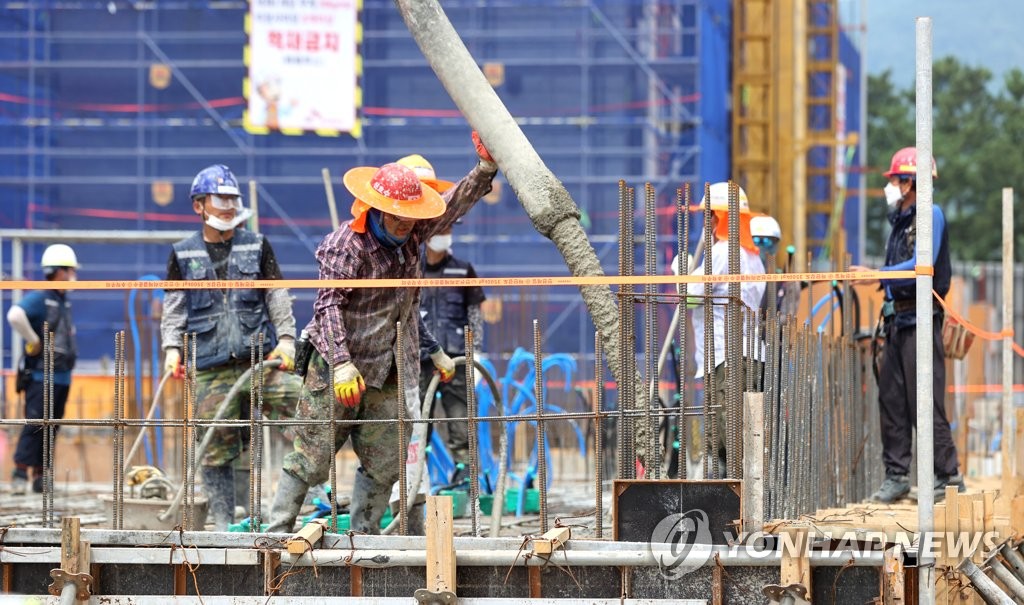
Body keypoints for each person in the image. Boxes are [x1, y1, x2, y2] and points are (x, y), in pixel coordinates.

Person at [267, 133, 497, 534]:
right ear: (377, 210)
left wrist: (484, 170)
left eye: (412, 220)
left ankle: (365, 539)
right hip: (340, 363)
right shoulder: (347, 245)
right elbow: (328, 305)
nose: (408, 226)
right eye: (399, 219)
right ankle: (276, 532)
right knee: (312, 454)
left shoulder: (411, 236)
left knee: (386, 457)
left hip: (389, 367)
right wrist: (341, 364)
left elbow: (452, 206)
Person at [160, 164, 303, 530]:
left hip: (260, 360)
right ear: (199, 205)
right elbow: (175, 306)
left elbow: (277, 297)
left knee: (308, 413)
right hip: (211, 366)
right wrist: (172, 349)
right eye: (220, 199)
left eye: (232, 200)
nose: (227, 206)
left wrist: (287, 340)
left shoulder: (257, 245)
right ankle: (225, 523)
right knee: (214, 445)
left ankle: (300, 506)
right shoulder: (183, 253)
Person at [852, 147, 962, 503]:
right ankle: (896, 475)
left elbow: (921, 262)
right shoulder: (901, 221)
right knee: (892, 399)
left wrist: (878, 274)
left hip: (922, 318)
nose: (892, 186)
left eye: (897, 179)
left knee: (924, 399)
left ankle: (947, 476)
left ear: (912, 182)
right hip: (897, 319)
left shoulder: (932, 214)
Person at [683, 182, 765, 478]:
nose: (705, 223)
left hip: (725, 355)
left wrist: (679, 274)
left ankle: (734, 502)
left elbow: (690, 297)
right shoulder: (752, 255)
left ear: (719, 217)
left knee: (727, 439)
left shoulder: (722, 252)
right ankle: (737, 496)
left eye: (708, 216)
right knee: (738, 436)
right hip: (746, 353)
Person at [417, 217, 486, 484]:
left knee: (461, 418)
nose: (445, 235)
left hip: (456, 358)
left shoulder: (462, 270)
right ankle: (415, 477)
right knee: (418, 422)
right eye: (440, 230)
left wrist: (475, 352)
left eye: (448, 229)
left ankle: (465, 477)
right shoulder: (412, 270)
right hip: (421, 359)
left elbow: (474, 315)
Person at [7, 244, 79, 494]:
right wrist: (33, 341)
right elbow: (15, 315)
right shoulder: (41, 298)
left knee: (52, 426)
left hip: (62, 376)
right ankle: (19, 473)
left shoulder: (62, 301)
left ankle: (40, 476)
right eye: (71, 271)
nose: (73, 277)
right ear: (59, 272)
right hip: (41, 376)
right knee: (36, 423)